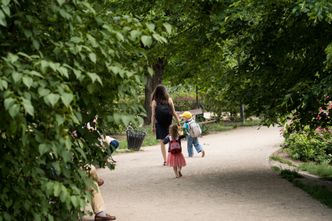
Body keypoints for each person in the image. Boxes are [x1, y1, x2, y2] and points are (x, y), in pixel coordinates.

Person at [151, 84, 181, 166]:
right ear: (165, 92)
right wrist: (178, 123)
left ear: (156, 92)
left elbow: (153, 115)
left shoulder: (154, 102)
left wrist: (153, 126)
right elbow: (173, 112)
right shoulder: (169, 100)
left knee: (162, 142)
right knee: (171, 140)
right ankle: (172, 158)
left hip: (159, 124)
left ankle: (165, 160)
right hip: (169, 123)